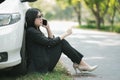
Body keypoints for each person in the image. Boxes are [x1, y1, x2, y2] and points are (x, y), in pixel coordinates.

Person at [25, 8, 98, 73]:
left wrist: (48, 28)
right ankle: (81, 64)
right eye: (39, 16)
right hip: (40, 67)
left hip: (43, 62)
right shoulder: (31, 31)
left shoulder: (35, 30)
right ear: (32, 18)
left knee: (61, 42)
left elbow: (50, 42)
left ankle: (80, 63)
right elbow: (50, 43)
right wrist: (66, 33)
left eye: (41, 16)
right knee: (62, 42)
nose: (41, 18)